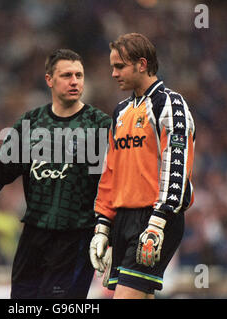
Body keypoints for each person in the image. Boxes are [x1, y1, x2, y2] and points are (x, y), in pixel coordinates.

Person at [0, 49, 111, 298]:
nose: (74, 81)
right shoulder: (33, 123)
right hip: (33, 239)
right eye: (66, 75)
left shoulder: (100, 126)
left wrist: (109, 233)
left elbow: (115, 183)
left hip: (75, 238)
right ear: (49, 80)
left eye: (79, 75)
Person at [89, 33, 196, 299]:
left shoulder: (169, 103)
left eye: (119, 66)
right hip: (123, 219)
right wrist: (103, 226)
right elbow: (110, 171)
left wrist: (159, 221)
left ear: (142, 64)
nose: (113, 74)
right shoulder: (121, 111)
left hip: (154, 216)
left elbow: (177, 164)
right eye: (112, 67)